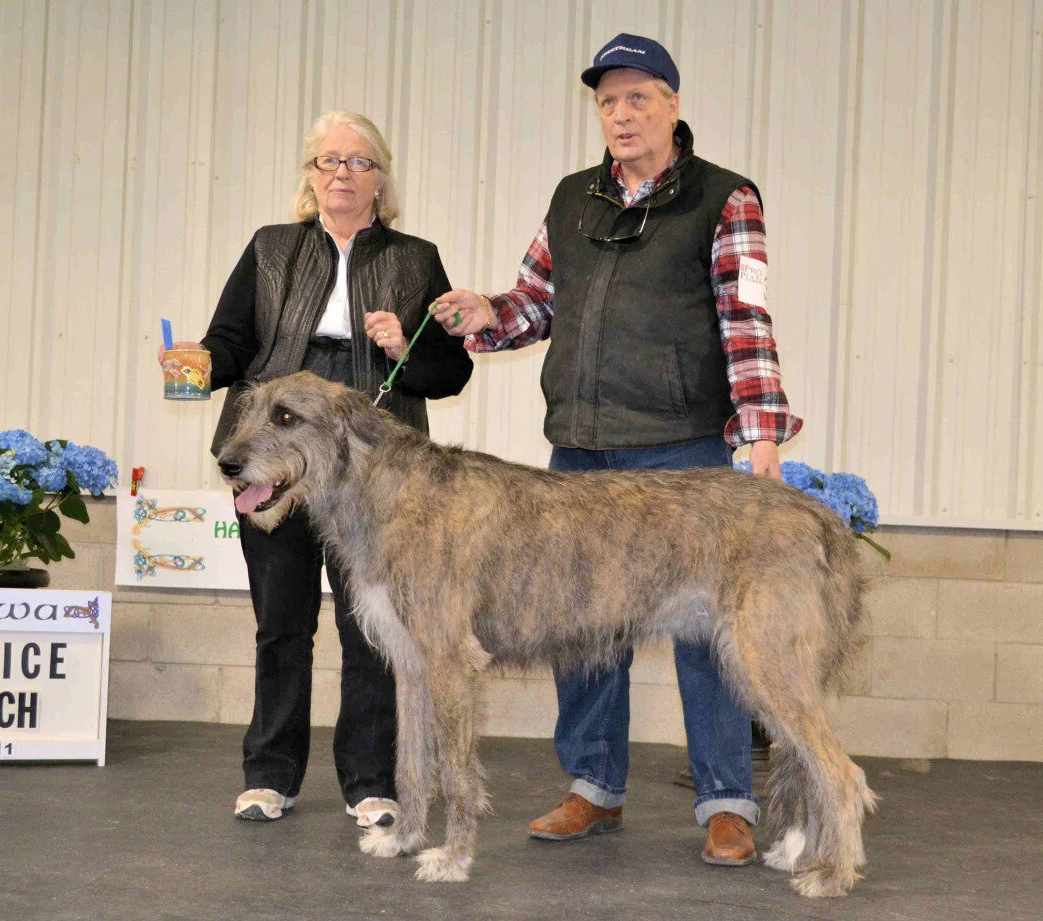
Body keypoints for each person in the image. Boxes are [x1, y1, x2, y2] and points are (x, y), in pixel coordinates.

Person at [435, 34, 802, 866]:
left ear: (673, 104)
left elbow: (746, 319)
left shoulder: (724, 197)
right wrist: (486, 312)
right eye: (608, 101)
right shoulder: (574, 197)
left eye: (639, 97)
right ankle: (594, 786)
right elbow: (536, 303)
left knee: (709, 631)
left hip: (680, 453)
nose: (622, 114)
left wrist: (762, 435)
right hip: (580, 452)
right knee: (578, 627)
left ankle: (727, 801)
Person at [169, 110, 472, 827]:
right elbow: (230, 343)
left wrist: (404, 344)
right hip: (274, 448)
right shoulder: (271, 247)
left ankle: (371, 781)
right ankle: (269, 774)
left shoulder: (416, 258)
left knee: (372, 629)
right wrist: (197, 361)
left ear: (380, 179)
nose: (342, 173)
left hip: (374, 464)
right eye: (328, 161)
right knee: (281, 622)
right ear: (310, 175)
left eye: (358, 162)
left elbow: (450, 371)